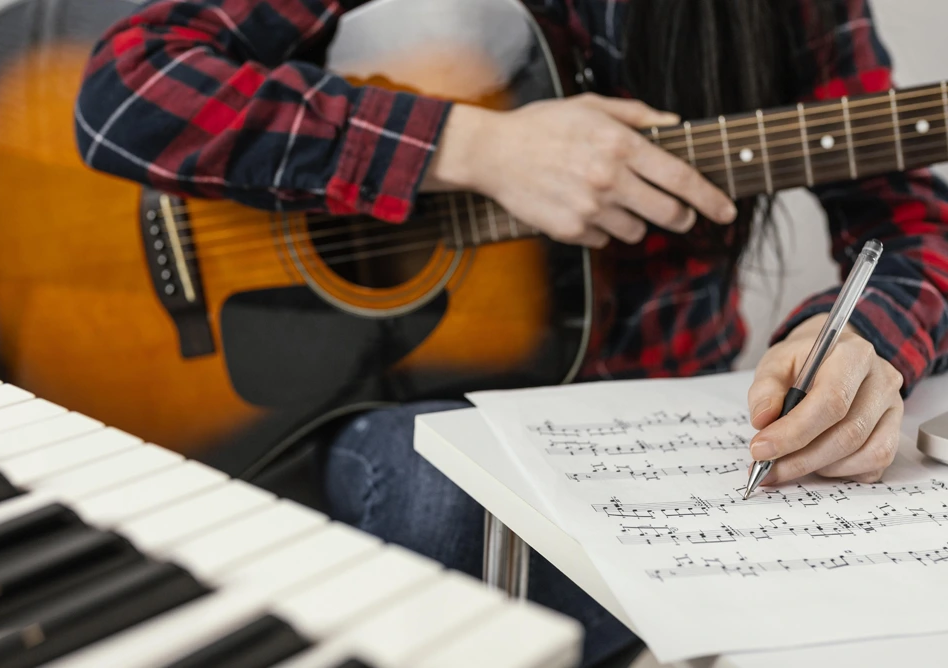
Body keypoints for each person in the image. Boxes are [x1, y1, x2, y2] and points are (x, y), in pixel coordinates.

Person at [73, 1, 948, 665]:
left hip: (650, 412)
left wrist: (858, 339)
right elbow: (131, 90)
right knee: (453, 508)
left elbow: (912, 225)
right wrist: (472, 148)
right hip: (391, 393)